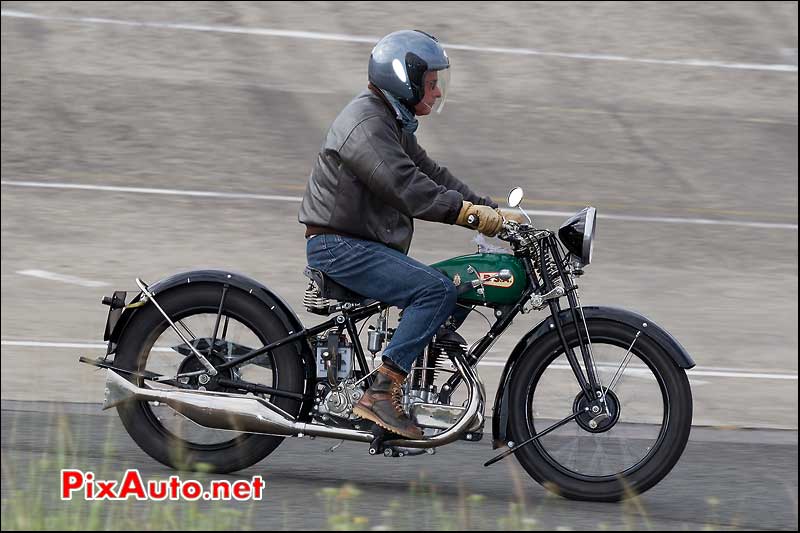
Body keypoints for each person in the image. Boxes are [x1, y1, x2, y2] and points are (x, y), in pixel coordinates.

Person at [298, 30, 506, 439]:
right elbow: (406, 185)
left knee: (456, 282)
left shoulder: (389, 120)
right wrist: (468, 216)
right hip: (339, 245)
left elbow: (432, 174)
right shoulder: (367, 124)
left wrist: (491, 210)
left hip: (356, 241)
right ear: (403, 79)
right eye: (430, 83)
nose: (437, 91)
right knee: (435, 291)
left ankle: (417, 364)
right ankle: (380, 392)